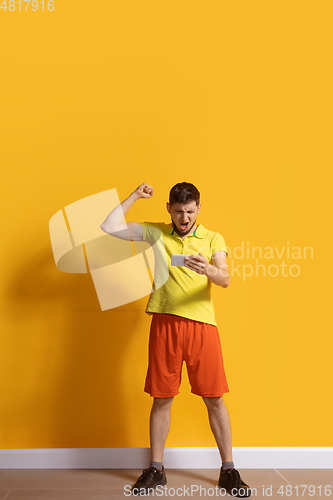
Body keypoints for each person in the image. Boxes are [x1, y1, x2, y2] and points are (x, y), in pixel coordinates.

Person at [100, 182, 251, 498]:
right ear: (169, 208)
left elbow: (225, 278)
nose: (185, 218)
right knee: (162, 396)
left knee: (214, 398)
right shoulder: (156, 233)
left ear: (199, 208)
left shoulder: (212, 238)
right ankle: (156, 468)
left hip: (201, 326)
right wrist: (134, 196)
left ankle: (229, 470)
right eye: (179, 211)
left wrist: (208, 268)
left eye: (191, 211)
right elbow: (109, 226)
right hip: (164, 323)